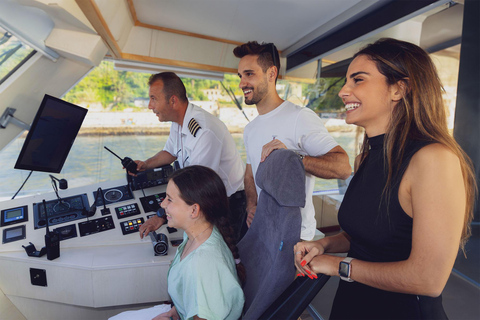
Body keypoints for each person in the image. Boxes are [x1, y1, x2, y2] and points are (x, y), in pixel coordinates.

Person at [294, 38, 477, 319]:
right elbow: (368, 235)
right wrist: (324, 245)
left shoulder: (434, 159)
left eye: (358, 80)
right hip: (352, 304)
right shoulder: (366, 157)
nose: (344, 91)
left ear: (398, 89)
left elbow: (428, 279)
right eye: (346, 81)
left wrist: (337, 266)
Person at [233, 41, 351, 240]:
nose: (241, 83)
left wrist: (293, 157)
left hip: (295, 237)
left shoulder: (300, 117)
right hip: (263, 231)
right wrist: (252, 205)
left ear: (271, 74)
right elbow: (250, 175)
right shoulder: (250, 129)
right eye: (240, 76)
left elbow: (343, 168)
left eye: (249, 74)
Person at [111, 165, 245, 320]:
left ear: (194, 210)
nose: (162, 204)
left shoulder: (202, 263)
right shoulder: (198, 234)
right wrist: (178, 309)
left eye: (170, 199)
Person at [135, 72, 246, 242]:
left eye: (154, 98)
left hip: (229, 204)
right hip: (203, 198)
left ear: (173, 101)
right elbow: (170, 153)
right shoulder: (178, 122)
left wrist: (161, 215)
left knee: (224, 258)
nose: (150, 105)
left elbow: (195, 187)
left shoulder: (203, 130)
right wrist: (145, 165)